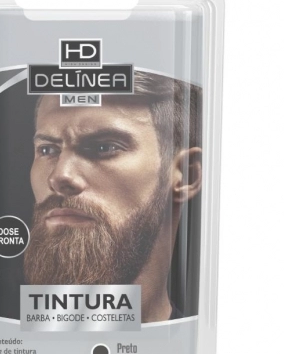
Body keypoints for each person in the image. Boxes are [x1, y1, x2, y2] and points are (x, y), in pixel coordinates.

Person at [24, 71, 202, 323]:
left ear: (185, 174)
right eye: (47, 150)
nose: (59, 176)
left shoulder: (195, 338)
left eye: (103, 147)